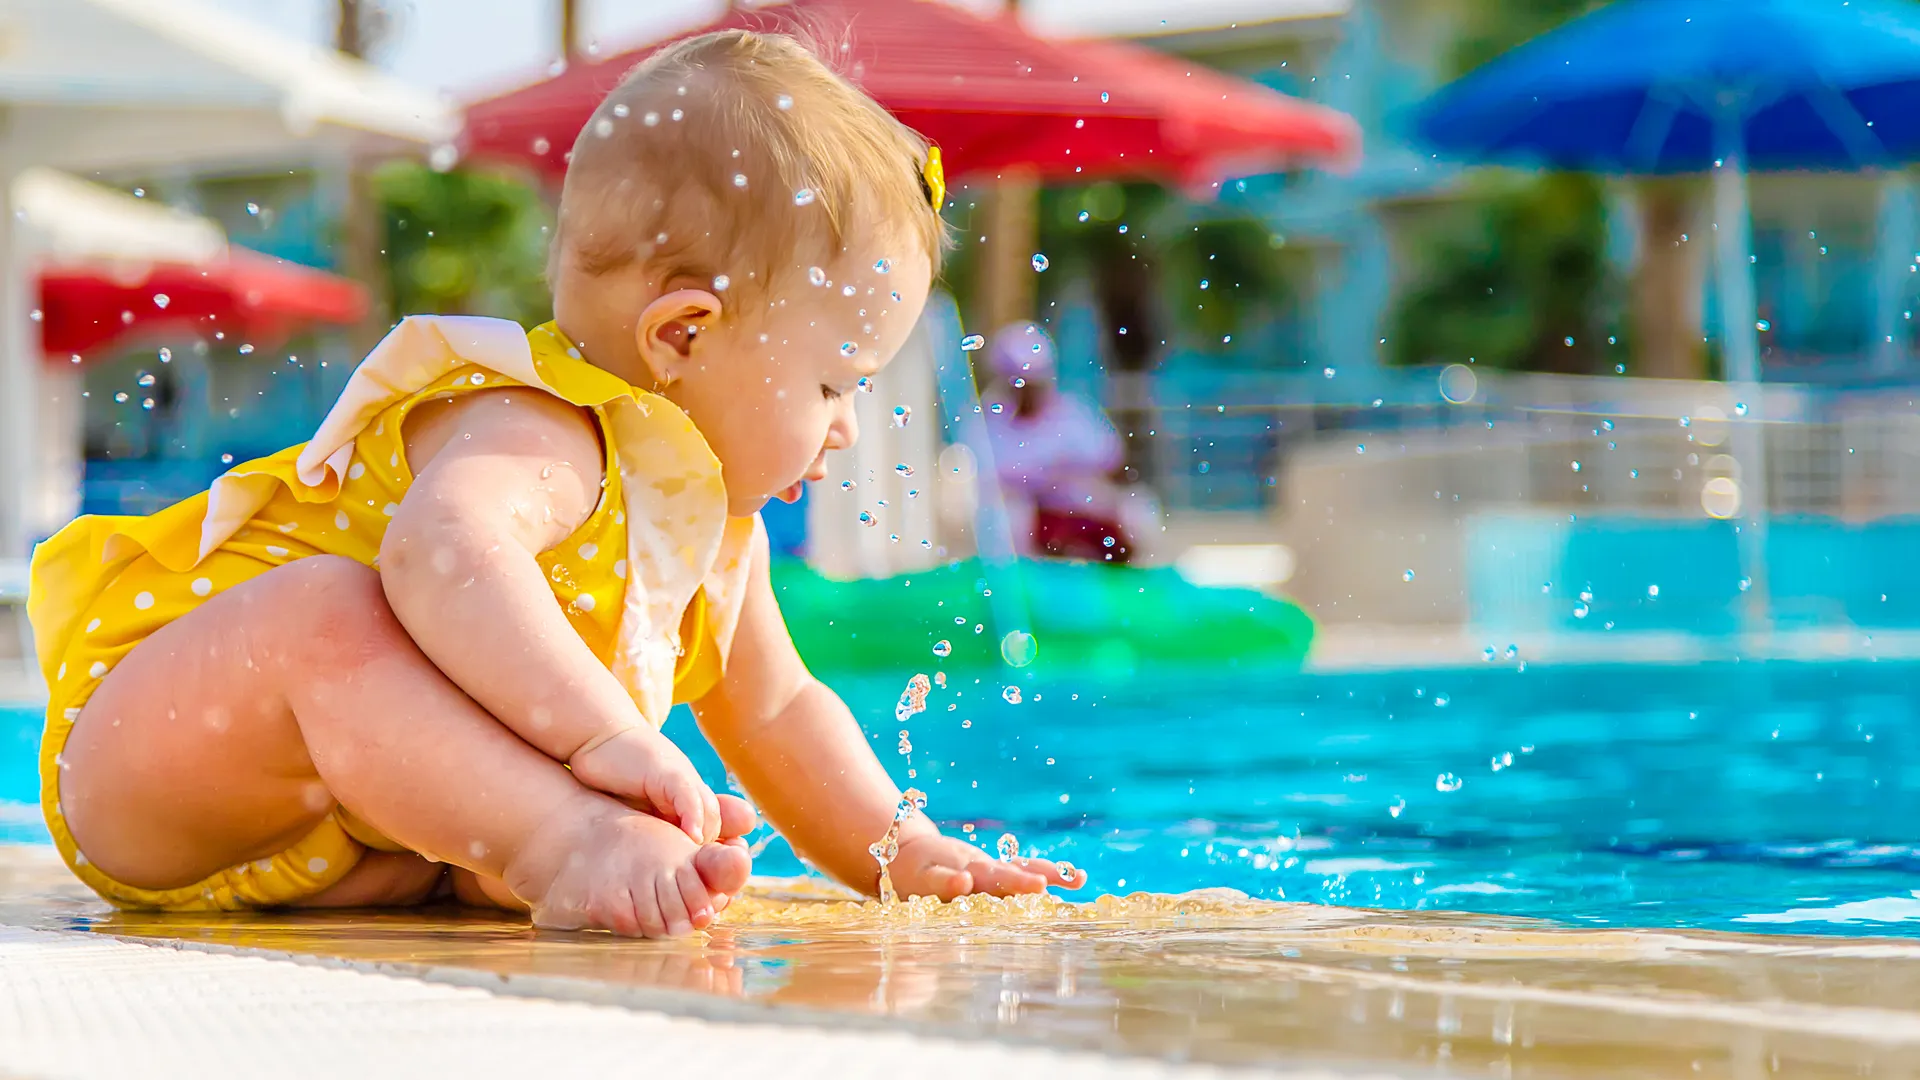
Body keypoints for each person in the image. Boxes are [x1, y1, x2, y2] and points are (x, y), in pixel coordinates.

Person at [26, 30, 1079, 937]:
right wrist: (603, 743)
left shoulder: (719, 542)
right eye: (832, 381)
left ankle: (541, 843)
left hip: (358, 849)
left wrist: (902, 850)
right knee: (332, 614)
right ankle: (560, 843)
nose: (848, 427)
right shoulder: (542, 426)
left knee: (617, 802)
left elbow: (778, 714)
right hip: (162, 766)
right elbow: (442, 554)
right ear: (683, 333)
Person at [981, 322, 1137, 562]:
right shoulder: (989, 422)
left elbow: (1114, 465)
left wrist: (1070, 479)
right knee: (1010, 518)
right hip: (1032, 520)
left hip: (1080, 512)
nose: (1028, 390)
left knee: (1137, 510)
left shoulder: (1075, 413)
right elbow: (988, 481)